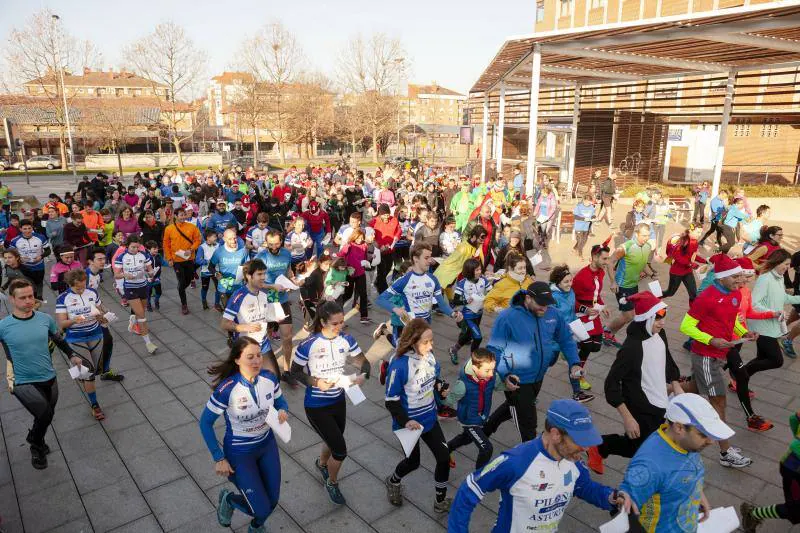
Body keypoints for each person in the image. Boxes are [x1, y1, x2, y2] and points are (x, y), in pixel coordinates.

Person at [448, 398, 635, 533]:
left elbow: (583, 486)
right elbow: (469, 489)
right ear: (555, 434)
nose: (586, 447)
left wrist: (611, 497)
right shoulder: (516, 461)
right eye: (579, 441)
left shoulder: (573, 460)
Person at [586, 291, 682, 474]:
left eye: (664, 317)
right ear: (646, 318)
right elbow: (611, 384)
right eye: (658, 318)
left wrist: (676, 387)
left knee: (647, 445)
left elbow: (667, 360)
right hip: (640, 405)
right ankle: (599, 446)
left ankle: (601, 447)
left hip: (661, 400)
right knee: (639, 447)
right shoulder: (631, 348)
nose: (662, 322)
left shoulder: (659, 334)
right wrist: (628, 418)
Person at [199, 337, 289, 533]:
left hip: (267, 446)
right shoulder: (227, 389)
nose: (257, 361)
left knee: (272, 501)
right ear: (237, 360)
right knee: (262, 507)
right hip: (240, 453)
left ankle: (256, 527)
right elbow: (205, 423)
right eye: (250, 357)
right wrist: (218, 457)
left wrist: (283, 411)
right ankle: (229, 500)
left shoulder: (269, 378)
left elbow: (281, 402)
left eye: (258, 355)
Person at [483, 282, 584, 442]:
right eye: (540, 304)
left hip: (538, 376)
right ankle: (531, 457)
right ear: (528, 298)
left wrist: (574, 363)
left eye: (547, 304)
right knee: (529, 425)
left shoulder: (553, 314)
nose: (544, 309)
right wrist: (504, 374)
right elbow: (494, 350)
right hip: (516, 380)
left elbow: (565, 338)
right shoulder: (507, 318)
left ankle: (485, 431)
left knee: (513, 408)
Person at [291, 301, 370, 505]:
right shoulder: (309, 344)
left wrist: (363, 375)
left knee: (332, 438)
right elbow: (295, 372)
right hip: (316, 405)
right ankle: (332, 483)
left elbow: (365, 362)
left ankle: (322, 464)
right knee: (340, 450)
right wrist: (316, 382)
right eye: (334, 323)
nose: (339, 327)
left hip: (338, 401)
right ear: (323, 322)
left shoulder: (347, 339)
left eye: (342, 322)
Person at [678, 253, 753, 468]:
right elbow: (685, 326)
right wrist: (711, 340)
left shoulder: (735, 294)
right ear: (721, 278)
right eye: (735, 278)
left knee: (692, 386)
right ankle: (725, 452)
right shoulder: (707, 298)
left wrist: (743, 332)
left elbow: (731, 321)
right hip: (705, 356)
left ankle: (660, 392)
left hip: (720, 354)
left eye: (741, 277)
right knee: (718, 401)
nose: (740, 281)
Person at [620, 393, 734, 532]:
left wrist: (697, 495)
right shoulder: (650, 465)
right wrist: (621, 498)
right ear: (679, 428)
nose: (711, 441)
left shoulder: (686, 443)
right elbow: (626, 507)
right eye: (703, 435)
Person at [1, 279, 81, 469]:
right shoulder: (4, 326)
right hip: (22, 380)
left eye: (31, 296)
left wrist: (72, 355)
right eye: (23, 297)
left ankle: (35, 438)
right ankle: (36, 447)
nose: (29, 300)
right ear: (12, 299)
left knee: (46, 414)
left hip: (48, 376)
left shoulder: (45, 319)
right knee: (44, 415)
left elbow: (59, 340)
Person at [384, 319, 453, 513]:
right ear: (412, 341)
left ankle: (440, 501)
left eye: (431, 341)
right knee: (413, 462)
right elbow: (391, 401)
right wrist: (406, 421)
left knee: (443, 458)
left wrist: (440, 387)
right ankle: (393, 481)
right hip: (408, 425)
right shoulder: (399, 365)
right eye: (426, 342)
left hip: (429, 418)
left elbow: (433, 379)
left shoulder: (429, 357)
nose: (430, 346)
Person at [444, 348, 518, 470]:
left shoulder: (491, 376)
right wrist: (441, 396)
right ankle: (478, 478)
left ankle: (447, 449)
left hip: (480, 417)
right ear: (475, 368)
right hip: (468, 420)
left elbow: (499, 385)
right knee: (486, 448)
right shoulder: (462, 385)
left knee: (467, 438)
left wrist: (509, 385)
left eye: (493, 369)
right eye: (487, 370)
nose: (491, 374)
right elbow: (449, 400)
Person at [55, 269, 112, 420]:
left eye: (84, 286)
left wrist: (105, 316)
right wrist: (74, 320)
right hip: (76, 338)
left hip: (96, 334)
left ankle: (80, 373)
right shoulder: (63, 298)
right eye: (78, 288)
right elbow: (62, 323)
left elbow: (101, 309)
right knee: (89, 373)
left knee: (96, 369)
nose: (82, 289)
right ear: (70, 285)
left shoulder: (92, 292)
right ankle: (95, 405)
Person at [254, 230, 303, 387]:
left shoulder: (287, 254)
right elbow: (254, 282)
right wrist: (271, 285)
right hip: (265, 299)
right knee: (262, 337)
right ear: (266, 243)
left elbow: (288, 271)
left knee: (287, 336)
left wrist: (293, 279)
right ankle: (260, 370)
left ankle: (287, 371)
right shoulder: (261, 257)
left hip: (281, 299)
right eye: (270, 244)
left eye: (276, 244)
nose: (274, 247)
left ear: (281, 241)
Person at [741, 410, 800, 531]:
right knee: (795, 511)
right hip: (793, 469)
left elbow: (794, 419)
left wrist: (797, 436)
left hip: (791, 464)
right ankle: (753, 514)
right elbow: (795, 420)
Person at [376, 243, 462, 325]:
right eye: (426, 258)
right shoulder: (404, 280)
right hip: (411, 326)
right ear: (415, 259)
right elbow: (381, 299)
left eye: (430, 257)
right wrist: (396, 309)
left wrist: (453, 314)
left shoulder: (433, 279)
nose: (430, 260)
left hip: (427, 324)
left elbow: (442, 304)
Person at [221, 260, 280, 375]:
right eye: (259, 274)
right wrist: (245, 327)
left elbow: (266, 315)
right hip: (245, 345)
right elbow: (224, 324)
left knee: (274, 377)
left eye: (264, 273)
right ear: (248, 276)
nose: (263, 277)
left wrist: (274, 318)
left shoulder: (264, 292)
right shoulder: (238, 296)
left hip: (264, 343)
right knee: (250, 379)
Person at [605, 223, 656, 347]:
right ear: (636, 234)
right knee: (628, 316)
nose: (646, 238)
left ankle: (608, 332)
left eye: (648, 235)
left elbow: (643, 263)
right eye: (643, 235)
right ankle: (607, 332)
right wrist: (613, 282)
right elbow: (610, 262)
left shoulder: (648, 246)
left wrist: (652, 275)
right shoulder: (625, 247)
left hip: (634, 285)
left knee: (631, 314)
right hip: (622, 286)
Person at [114, 235, 157, 354]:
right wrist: (125, 275)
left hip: (143, 286)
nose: (135, 249)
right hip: (130, 287)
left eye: (137, 247)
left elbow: (150, 270)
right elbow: (116, 275)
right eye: (133, 247)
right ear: (127, 246)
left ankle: (133, 320)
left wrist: (151, 273)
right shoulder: (121, 257)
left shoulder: (144, 255)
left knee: (141, 312)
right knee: (142, 316)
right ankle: (149, 343)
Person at [448, 258, 490, 365]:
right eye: (476, 270)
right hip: (468, 315)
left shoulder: (483, 280)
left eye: (480, 269)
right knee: (478, 337)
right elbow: (455, 300)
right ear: (469, 270)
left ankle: (453, 349)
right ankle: (474, 361)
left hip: (479, 313)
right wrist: (466, 300)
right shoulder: (462, 283)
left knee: (468, 336)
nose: (479, 272)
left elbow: (491, 292)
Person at [163, 206, 202, 315]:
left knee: (188, 280)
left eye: (184, 215)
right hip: (177, 260)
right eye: (181, 215)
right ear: (175, 216)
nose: (183, 217)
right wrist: (169, 258)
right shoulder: (169, 228)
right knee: (181, 282)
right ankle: (184, 304)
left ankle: (183, 285)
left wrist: (191, 249)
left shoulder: (192, 227)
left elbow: (198, 240)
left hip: (189, 258)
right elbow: (166, 244)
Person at [661, 224, 706, 304]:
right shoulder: (683, 240)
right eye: (698, 232)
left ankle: (692, 313)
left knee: (693, 294)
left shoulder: (695, 242)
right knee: (670, 293)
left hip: (687, 272)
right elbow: (677, 256)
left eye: (701, 233)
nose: (699, 235)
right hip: (676, 273)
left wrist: (704, 261)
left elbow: (692, 256)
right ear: (691, 230)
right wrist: (690, 264)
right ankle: (654, 297)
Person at [10, 219, 50, 301]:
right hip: (24, 267)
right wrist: (19, 259)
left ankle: (38, 302)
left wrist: (41, 256)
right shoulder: (15, 241)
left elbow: (48, 251)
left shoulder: (41, 237)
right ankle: (30, 302)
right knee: (27, 287)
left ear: (32, 228)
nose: (27, 231)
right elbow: (11, 255)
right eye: (25, 229)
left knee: (39, 285)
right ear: (20, 229)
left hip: (39, 266)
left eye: (29, 228)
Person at [369, 203, 401, 294]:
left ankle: (378, 282)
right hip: (379, 251)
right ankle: (383, 291)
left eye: (388, 214)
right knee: (381, 271)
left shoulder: (394, 220)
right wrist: (378, 246)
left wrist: (396, 236)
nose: (386, 217)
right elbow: (369, 236)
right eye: (384, 215)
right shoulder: (374, 222)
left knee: (388, 267)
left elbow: (399, 230)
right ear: (380, 214)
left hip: (390, 249)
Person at [196, 229, 221, 311]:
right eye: (214, 236)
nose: (216, 238)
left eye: (216, 236)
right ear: (208, 238)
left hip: (216, 271)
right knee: (205, 288)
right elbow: (198, 260)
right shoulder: (202, 247)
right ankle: (204, 301)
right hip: (206, 271)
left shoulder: (218, 245)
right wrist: (207, 261)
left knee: (218, 288)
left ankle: (217, 304)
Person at [573, 194, 596, 260]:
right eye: (586, 202)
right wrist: (584, 219)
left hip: (586, 227)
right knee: (580, 240)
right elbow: (575, 216)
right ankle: (580, 253)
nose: (588, 203)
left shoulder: (591, 207)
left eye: (589, 202)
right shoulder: (579, 206)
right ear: (583, 200)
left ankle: (575, 248)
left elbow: (593, 215)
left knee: (584, 240)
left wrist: (593, 218)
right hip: (579, 226)